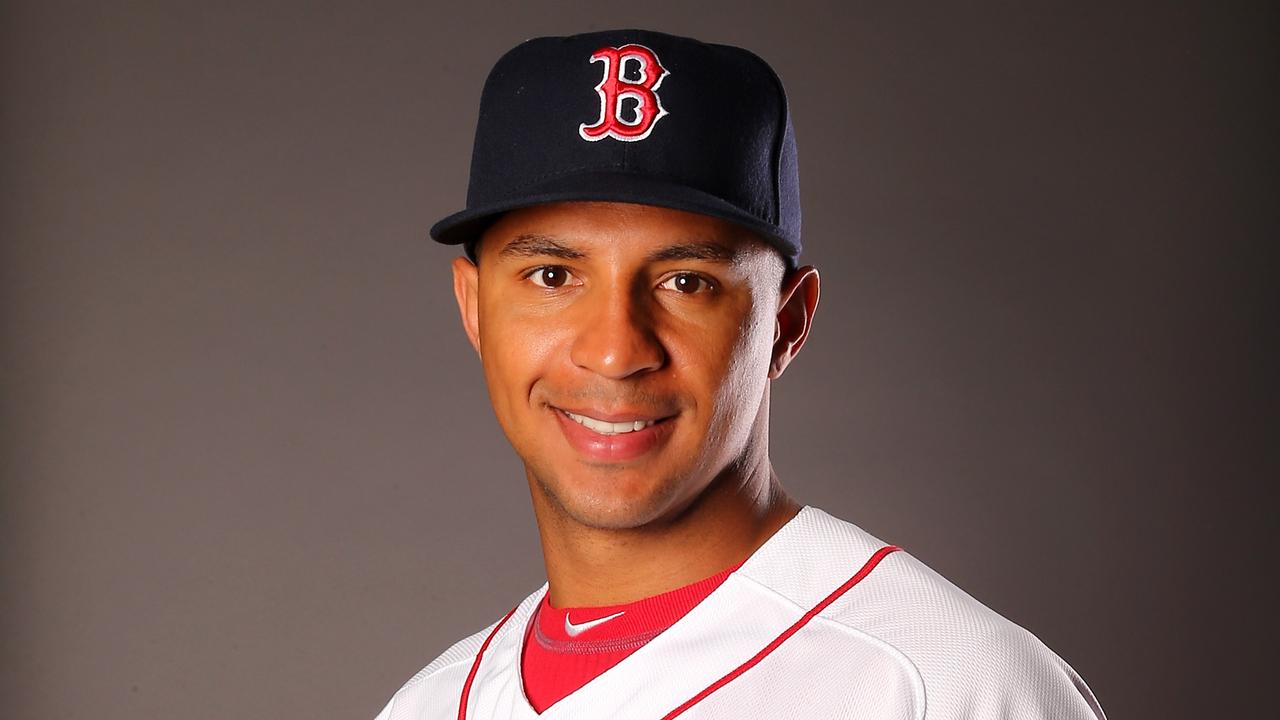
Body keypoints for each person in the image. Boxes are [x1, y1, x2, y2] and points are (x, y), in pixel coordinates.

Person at [375, 28, 1106, 720]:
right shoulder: (427, 706)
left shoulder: (949, 686)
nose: (614, 351)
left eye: (687, 282)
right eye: (552, 274)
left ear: (786, 322)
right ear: (474, 309)